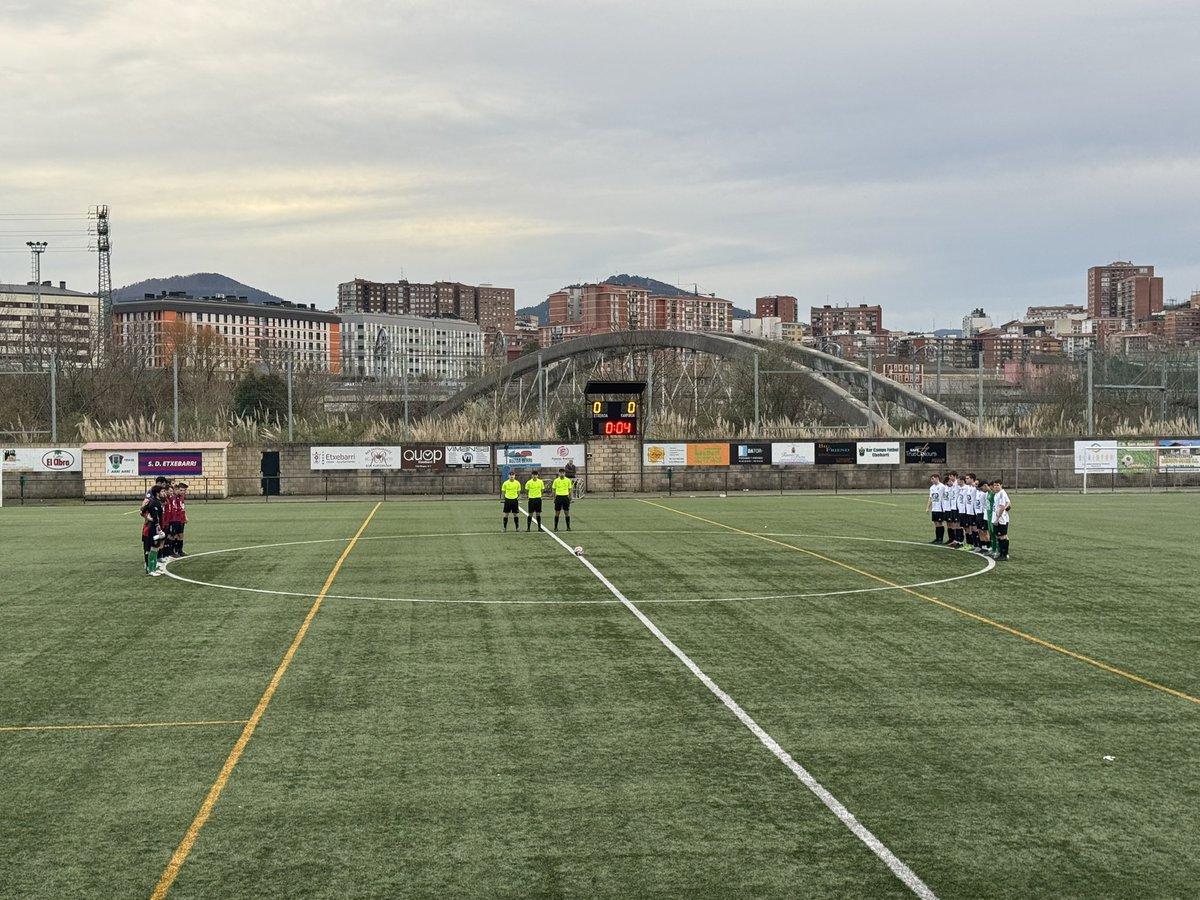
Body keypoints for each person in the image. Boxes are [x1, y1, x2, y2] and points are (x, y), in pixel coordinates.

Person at [142, 484, 167, 576]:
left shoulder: (157, 502)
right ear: (157, 493)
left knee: (156, 548)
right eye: (162, 491)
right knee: (153, 548)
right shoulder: (155, 503)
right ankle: (151, 570)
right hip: (154, 528)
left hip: (156, 527)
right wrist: (157, 526)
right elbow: (155, 516)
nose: (164, 493)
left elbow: (143, 510)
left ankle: (154, 567)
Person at [165, 482, 189, 556]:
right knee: (173, 535)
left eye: (184, 490)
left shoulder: (181, 497)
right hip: (173, 519)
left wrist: (185, 517)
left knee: (180, 535)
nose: (182, 492)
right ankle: (171, 551)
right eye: (181, 490)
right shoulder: (172, 498)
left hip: (180, 519)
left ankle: (179, 550)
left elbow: (182, 508)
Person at [991, 478, 1011, 561]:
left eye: (997, 485)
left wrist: (997, 518)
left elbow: (1002, 507)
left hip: (1001, 519)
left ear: (1001, 485)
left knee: (1002, 536)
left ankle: (1004, 554)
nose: (995, 487)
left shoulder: (1002, 494)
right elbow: (1009, 502)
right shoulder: (998, 494)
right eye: (994, 485)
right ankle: (1002, 553)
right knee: (999, 536)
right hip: (998, 518)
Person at [926, 473, 944, 544]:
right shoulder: (932, 487)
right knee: (936, 523)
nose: (931, 480)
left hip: (940, 508)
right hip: (934, 508)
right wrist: (928, 507)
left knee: (940, 523)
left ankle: (940, 539)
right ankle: (937, 538)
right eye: (931, 479)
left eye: (933, 479)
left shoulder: (942, 487)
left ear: (937, 478)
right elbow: (930, 498)